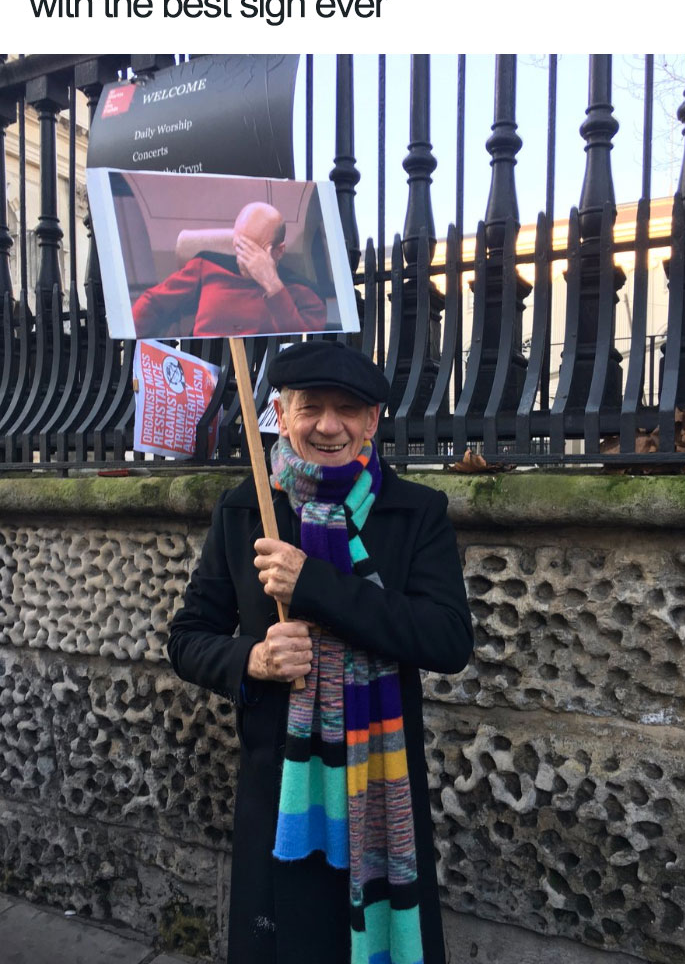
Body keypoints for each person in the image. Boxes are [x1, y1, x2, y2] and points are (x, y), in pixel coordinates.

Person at [168, 341, 473, 964]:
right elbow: (187, 637)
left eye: (349, 409)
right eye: (311, 408)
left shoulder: (416, 513)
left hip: (378, 788)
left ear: (373, 421)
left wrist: (315, 584)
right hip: (281, 790)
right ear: (281, 411)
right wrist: (252, 660)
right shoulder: (246, 508)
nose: (329, 426)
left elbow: (447, 641)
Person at [131, 201, 327, 337]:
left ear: (279, 251)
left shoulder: (304, 292)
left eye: (254, 250)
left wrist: (273, 285)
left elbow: (302, 345)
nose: (244, 258)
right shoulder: (207, 266)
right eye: (240, 246)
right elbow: (153, 302)